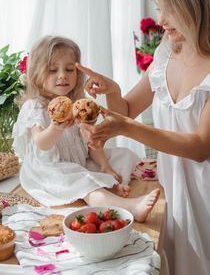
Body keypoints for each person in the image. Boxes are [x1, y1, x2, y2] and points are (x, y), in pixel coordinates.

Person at [76, 0, 210, 275]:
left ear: (195, 4)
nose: (161, 19)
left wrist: (126, 127)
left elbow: (201, 146)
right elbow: (128, 110)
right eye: (158, 8)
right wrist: (112, 90)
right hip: (178, 197)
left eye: (168, 9)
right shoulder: (166, 53)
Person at [12, 36, 160, 222]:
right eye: (52, 70)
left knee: (122, 154)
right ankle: (129, 206)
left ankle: (111, 183)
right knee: (85, 182)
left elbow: (90, 144)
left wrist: (104, 165)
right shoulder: (35, 106)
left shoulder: (78, 106)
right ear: (36, 75)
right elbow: (42, 143)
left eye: (69, 69)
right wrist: (55, 127)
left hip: (77, 162)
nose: (62, 75)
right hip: (49, 170)